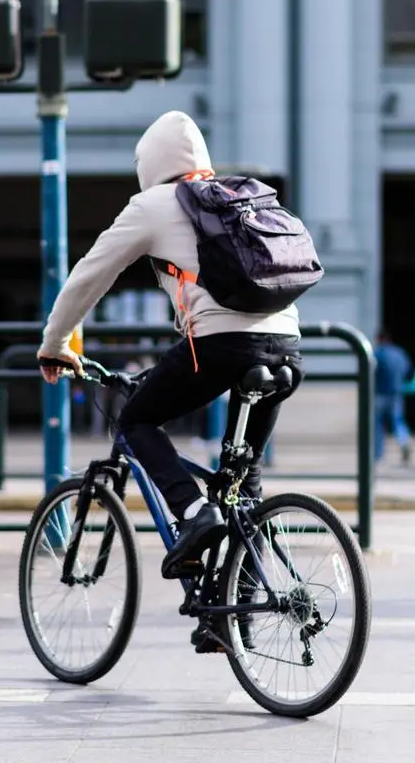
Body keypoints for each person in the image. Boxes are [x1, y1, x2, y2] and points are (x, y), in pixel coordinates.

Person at [36, 110, 305, 580]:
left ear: (149, 164)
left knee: (136, 417)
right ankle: (234, 620)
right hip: (287, 346)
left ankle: (192, 510)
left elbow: (89, 275)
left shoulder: (155, 205)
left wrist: (56, 342)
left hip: (222, 346)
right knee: (244, 486)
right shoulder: (239, 199)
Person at [373, 330, 411, 464]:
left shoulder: (377, 353)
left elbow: (370, 370)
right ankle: (403, 442)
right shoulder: (400, 353)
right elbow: (406, 370)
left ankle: (378, 455)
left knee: (377, 425)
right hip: (397, 392)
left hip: (379, 393)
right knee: (398, 421)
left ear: (379, 339)